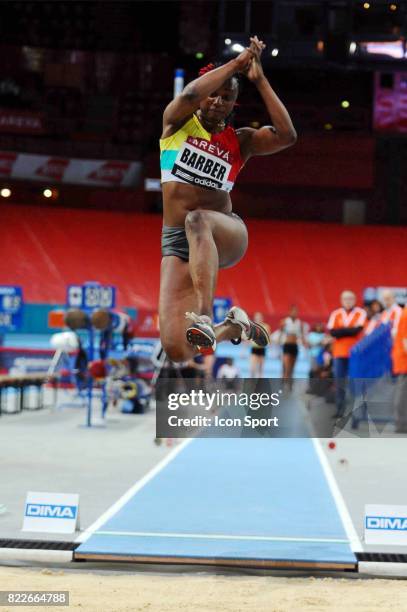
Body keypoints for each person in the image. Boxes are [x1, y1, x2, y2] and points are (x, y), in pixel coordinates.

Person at [159, 36, 297, 362]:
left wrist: (259, 79)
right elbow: (191, 93)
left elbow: (287, 136)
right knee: (177, 349)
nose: (218, 102)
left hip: (225, 233)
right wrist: (236, 63)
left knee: (198, 218)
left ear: (234, 104)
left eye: (227, 97)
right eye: (214, 95)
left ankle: (205, 317)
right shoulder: (175, 124)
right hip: (177, 241)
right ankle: (231, 328)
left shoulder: (241, 141)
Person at [327, 290, 366, 418]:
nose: (348, 301)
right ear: (341, 300)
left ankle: (356, 410)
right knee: (340, 382)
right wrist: (348, 330)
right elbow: (333, 332)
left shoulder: (361, 312)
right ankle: (340, 409)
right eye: (345, 299)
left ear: (354, 300)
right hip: (339, 353)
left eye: (350, 299)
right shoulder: (336, 313)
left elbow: (357, 330)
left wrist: (341, 330)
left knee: (356, 382)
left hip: (355, 353)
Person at [278, 305, 307, 387]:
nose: (294, 313)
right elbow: (280, 333)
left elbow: (302, 336)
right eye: (293, 311)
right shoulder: (284, 321)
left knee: (292, 367)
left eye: (296, 311)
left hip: (295, 346)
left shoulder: (299, 323)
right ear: (289, 312)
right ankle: (284, 384)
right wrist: (277, 345)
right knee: (286, 366)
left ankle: (290, 384)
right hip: (287, 345)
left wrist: (305, 344)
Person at [392, 305, 407, 433]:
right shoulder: (406, 315)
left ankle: (401, 423)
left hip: (402, 358)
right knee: (403, 393)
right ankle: (401, 424)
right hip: (404, 359)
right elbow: (405, 340)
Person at [250, 312, 270, 378]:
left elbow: (268, 339)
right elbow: (248, 339)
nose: (258, 319)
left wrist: (272, 350)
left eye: (259, 317)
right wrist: (243, 351)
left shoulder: (266, 327)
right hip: (254, 349)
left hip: (262, 349)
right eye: (257, 317)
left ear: (262, 318)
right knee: (252, 368)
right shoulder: (252, 327)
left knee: (261, 370)